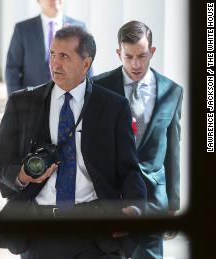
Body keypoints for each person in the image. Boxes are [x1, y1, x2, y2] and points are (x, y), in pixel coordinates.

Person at [0, 26, 147, 259]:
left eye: (64, 56)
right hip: (39, 232)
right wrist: (21, 175)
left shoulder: (114, 107)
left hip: (95, 233)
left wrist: (134, 209)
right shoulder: (22, 103)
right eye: (53, 54)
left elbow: (128, 169)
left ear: (86, 64)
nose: (55, 64)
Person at [92, 20, 183, 259]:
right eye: (128, 56)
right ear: (118, 53)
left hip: (153, 198)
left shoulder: (172, 91)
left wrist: (173, 203)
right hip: (112, 197)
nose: (135, 64)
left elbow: (173, 149)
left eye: (142, 56)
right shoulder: (98, 87)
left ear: (152, 52)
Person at [5, 0, 87, 96]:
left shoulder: (79, 28)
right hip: (33, 100)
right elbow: (12, 68)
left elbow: (86, 67)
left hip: (70, 101)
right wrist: (16, 100)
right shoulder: (23, 29)